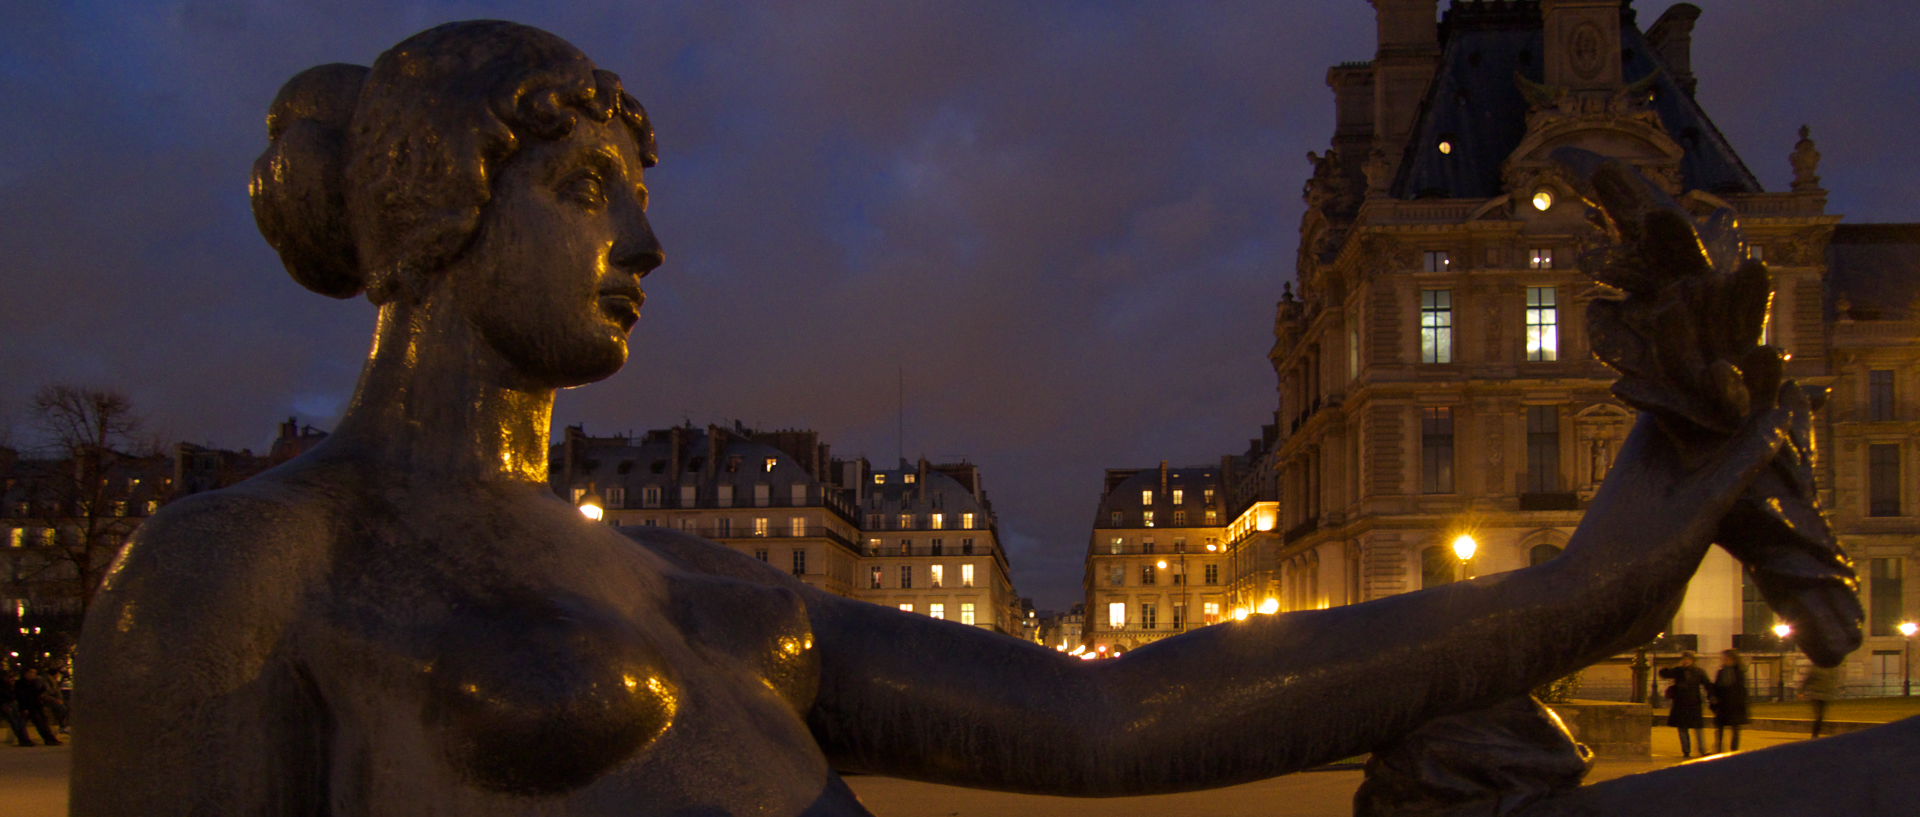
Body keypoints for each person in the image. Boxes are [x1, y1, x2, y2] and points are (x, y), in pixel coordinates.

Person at [69, 21, 1805, 816]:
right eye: (588, 183)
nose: (646, 238)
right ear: (442, 199)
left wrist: (1598, 577)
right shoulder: (238, 566)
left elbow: (1118, 720)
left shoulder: (674, 582)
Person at [1658, 651, 1709, 758]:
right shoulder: (1678, 671)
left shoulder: (1698, 672)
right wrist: (1665, 668)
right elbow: (1664, 674)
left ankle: (1703, 750)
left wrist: (1712, 695)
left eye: (1688, 659)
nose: (1686, 661)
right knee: (1682, 728)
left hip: (1694, 703)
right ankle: (1686, 751)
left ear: (1692, 660)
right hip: (1680, 703)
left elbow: (1707, 684)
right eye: (1684, 659)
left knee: (1698, 728)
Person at [1710, 649, 1750, 753]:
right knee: (1720, 728)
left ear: (1732, 659)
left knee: (1735, 729)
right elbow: (1716, 687)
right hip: (1723, 705)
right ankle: (1718, 748)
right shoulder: (1721, 672)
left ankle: (1734, 750)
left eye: (1725, 658)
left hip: (1735, 705)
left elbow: (1741, 689)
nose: (1723, 660)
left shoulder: (1739, 672)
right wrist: (1714, 699)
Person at [12, 667, 60, 747]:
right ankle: (24, 740)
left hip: (35, 706)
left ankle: (49, 739)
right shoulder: (20, 684)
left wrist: (41, 690)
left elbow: (37, 693)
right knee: (22, 724)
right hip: (27, 706)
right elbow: (21, 696)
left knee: (41, 723)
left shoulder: (34, 683)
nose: (34, 675)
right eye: (32, 673)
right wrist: (24, 707)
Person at [1801, 663, 1841, 737]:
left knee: (1821, 716)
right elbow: (1807, 680)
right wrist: (1802, 691)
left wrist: (1833, 691)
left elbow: (1832, 681)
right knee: (1819, 716)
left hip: (1825, 696)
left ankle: (1817, 733)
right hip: (1815, 695)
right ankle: (1815, 735)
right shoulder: (1815, 669)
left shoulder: (1831, 669)